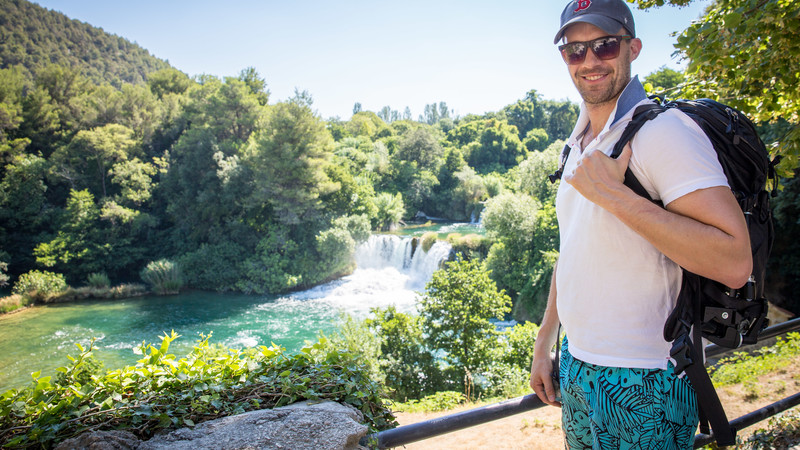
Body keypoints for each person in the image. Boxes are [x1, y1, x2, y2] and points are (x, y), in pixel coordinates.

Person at [528, 0, 752, 448]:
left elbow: (733, 261)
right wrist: (547, 336)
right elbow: (574, 248)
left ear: (634, 47)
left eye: (605, 46)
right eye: (575, 50)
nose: (589, 61)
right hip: (577, 366)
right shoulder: (576, 145)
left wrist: (615, 196)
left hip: (646, 376)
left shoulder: (663, 131)